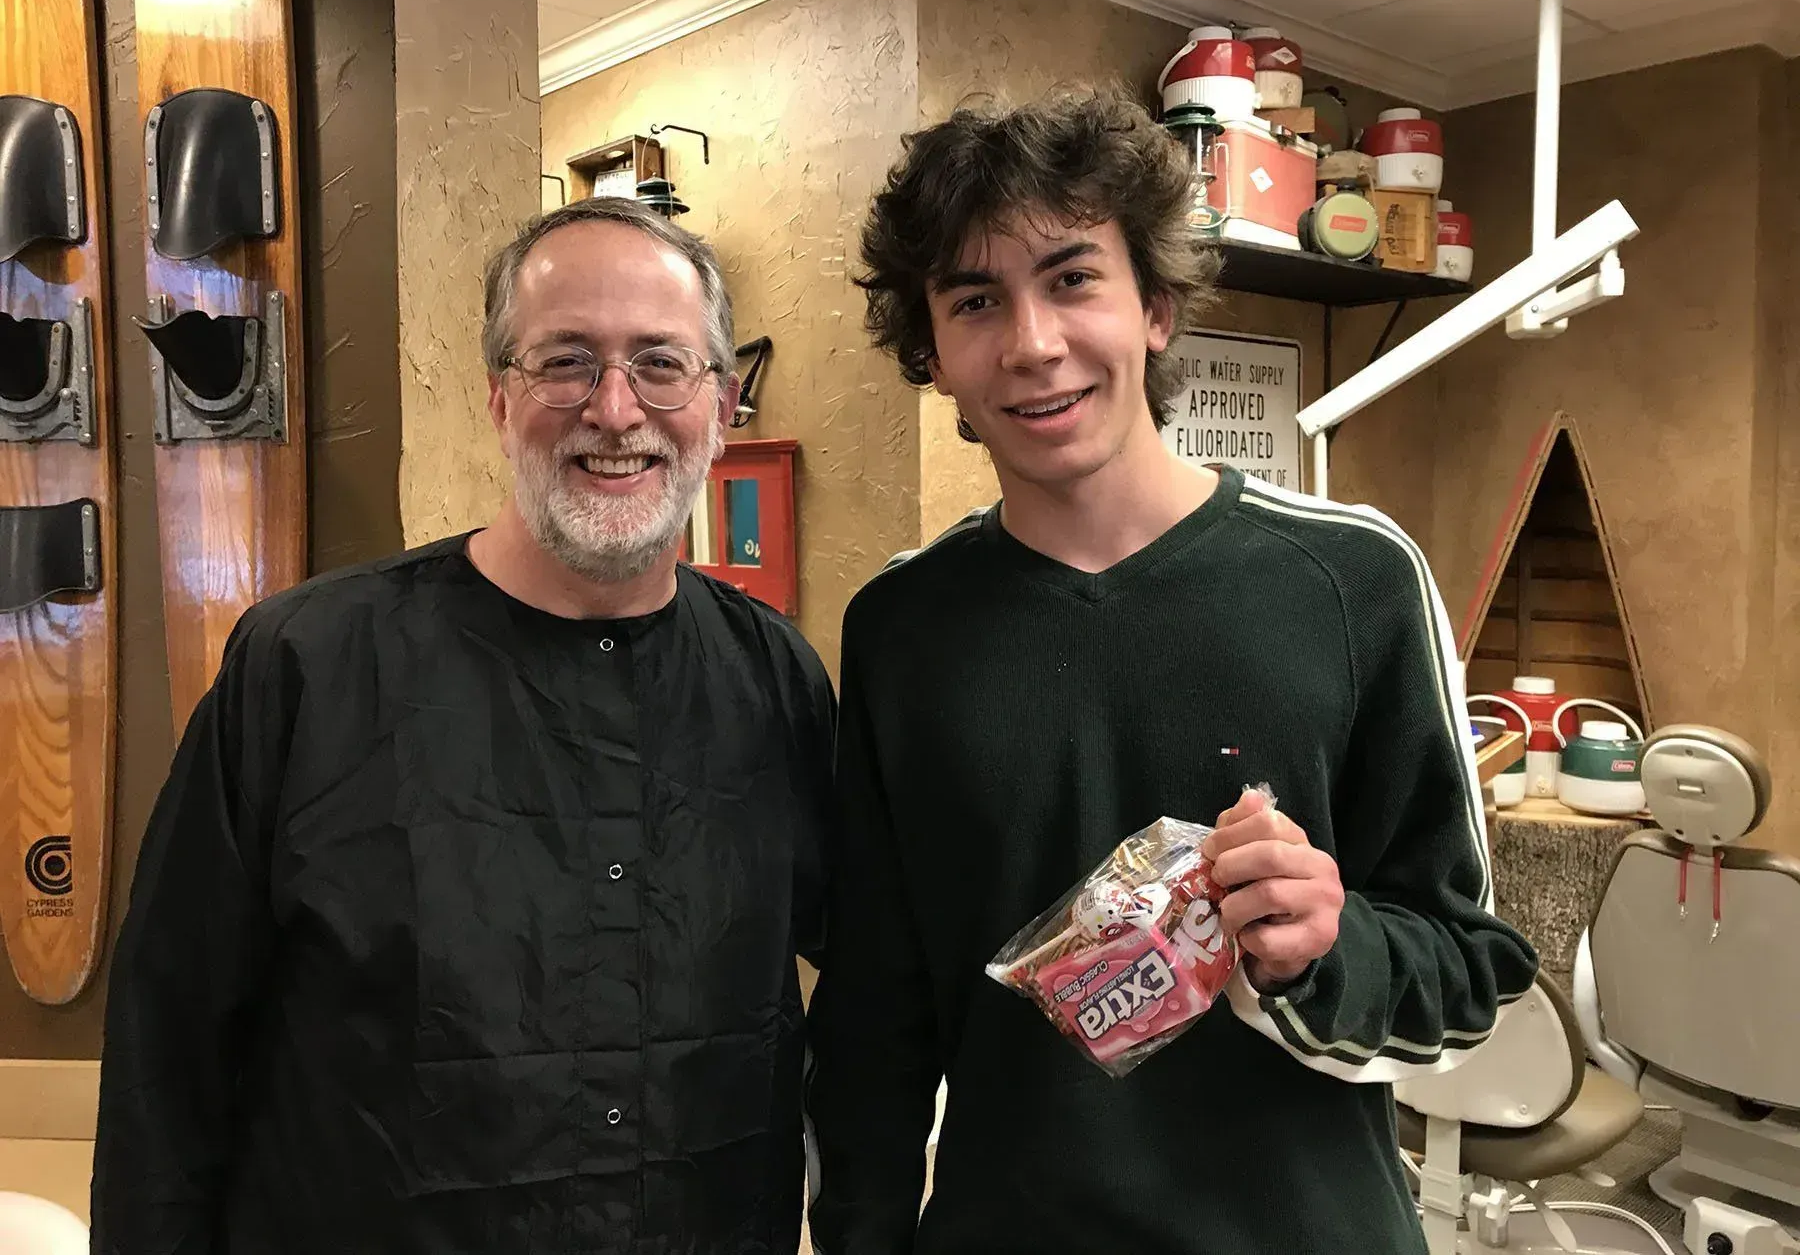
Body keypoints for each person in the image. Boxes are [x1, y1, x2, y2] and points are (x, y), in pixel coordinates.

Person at [803, 88, 1539, 1254]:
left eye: (1073, 278)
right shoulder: (901, 627)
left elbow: (1469, 973)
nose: (1034, 342)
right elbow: (873, 1022)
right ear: (933, 354)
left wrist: (1325, 950)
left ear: (1155, 304)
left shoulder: (1352, 581)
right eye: (976, 300)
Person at [93, 195, 834, 1254]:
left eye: (661, 364)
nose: (615, 409)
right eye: (566, 360)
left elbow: (880, 970)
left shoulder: (776, 681)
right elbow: (170, 1045)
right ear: (497, 398)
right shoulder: (308, 666)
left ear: (719, 409)